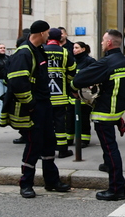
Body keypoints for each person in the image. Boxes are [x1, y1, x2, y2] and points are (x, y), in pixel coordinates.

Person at [5, 20, 70, 198]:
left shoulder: (38, 51)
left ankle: (52, 181)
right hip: (34, 108)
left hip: (44, 104)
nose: (49, 36)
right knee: (34, 146)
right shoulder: (24, 53)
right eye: (47, 32)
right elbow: (17, 82)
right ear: (41, 33)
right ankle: (26, 183)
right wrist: (31, 105)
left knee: (49, 144)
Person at [71, 29, 125, 201]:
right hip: (116, 110)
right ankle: (108, 167)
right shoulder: (124, 61)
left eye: (104, 40)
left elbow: (79, 79)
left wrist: (74, 87)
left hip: (104, 112)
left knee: (111, 150)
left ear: (110, 43)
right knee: (110, 149)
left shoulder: (107, 62)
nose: (102, 43)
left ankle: (116, 189)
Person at [45, 28, 77, 158]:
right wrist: (67, 83)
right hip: (60, 95)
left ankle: (46, 149)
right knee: (60, 124)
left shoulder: (41, 51)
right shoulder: (64, 52)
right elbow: (72, 71)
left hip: (44, 95)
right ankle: (63, 150)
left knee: (45, 124)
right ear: (59, 38)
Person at [66, 41, 97, 148]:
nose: (74, 50)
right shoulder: (72, 61)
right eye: (73, 48)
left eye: (76, 47)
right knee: (69, 118)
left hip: (84, 95)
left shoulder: (89, 61)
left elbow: (94, 76)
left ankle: (84, 140)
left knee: (83, 119)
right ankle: (69, 139)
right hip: (71, 95)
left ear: (83, 49)